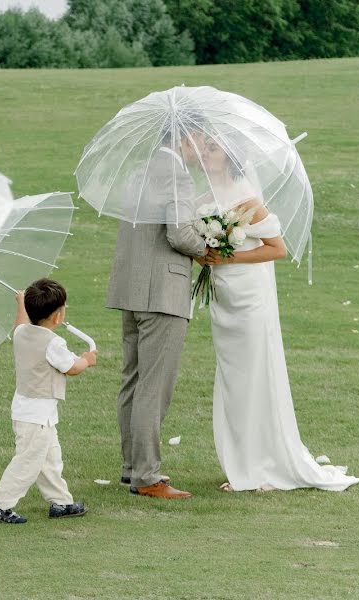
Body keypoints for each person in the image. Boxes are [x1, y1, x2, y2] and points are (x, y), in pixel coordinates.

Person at [197, 138, 359, 492]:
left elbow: (278, 249)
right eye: (204, 148)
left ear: (229, 156)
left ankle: (262, 465)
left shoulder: (247, 200)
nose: (205, 153)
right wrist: (203, 254)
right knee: (233, 379)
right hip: (225, 300)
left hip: (249, 299)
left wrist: (225, 258)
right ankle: (242, 462)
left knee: (254, 377)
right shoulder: (205, 196)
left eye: (212, 148)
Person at [107, 138, 207, 500]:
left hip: (131, 288)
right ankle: (146, 475)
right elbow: (179, 233)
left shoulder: (140, 169)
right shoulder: (177, 176)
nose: (203, 150)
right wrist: (208, 248)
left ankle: (131, 466)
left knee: (133, 379)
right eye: (202, 142)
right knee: (154, 384)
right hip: (163, 292)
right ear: (182, 138)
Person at [0, 278, 97, 524]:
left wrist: (20, 304)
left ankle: (61, 502)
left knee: (49, 459)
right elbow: (71, 368)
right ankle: (0, 504)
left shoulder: (22, 333)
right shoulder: (53, 343)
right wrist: (87, 359)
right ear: (57, 317)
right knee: (29, 462)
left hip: (30, 411)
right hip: (36, 416)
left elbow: (20, 323)